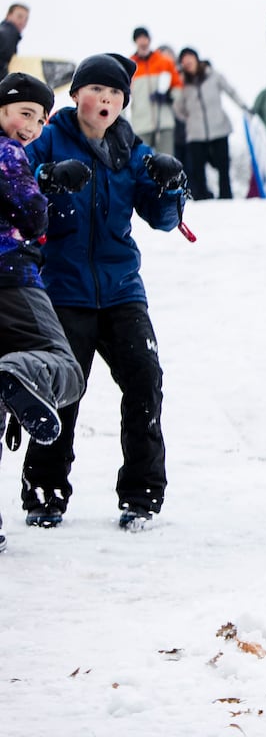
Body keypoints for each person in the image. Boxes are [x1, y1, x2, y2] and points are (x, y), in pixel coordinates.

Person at [21, 54, 187, 530]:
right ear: (76, 96)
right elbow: (12, 187)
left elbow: (162, 219)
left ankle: (142, 493)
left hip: (121, 289)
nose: (106, 100)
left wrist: (171, 186)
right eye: (97, 90)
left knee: (144, 380)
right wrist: (47, 179)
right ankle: (45, 494)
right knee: (60, 392)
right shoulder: (49, 139)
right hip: (63, 288)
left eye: (115, 94)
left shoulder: (129, 148)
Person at [0, 73, 87, 546]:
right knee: (63, 368)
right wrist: (41, 197)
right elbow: (32, 213)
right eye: (22, 114)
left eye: (38, 118)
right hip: (12, 275)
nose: (29, 127)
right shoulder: (7, 153)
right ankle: (19, 372)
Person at [173, 48, 247, 200]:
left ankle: (226, 197)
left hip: (218, 127)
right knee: (198, 169)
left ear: (196, 59)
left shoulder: (213, 75)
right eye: (184, 62)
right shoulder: (182, 84)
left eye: (189, 59)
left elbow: (231, 91)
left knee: (223, 166)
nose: (187, 63)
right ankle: (201, 199)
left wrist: (244, 107)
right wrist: (190, 119)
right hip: (196, 133)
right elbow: (178, 108)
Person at [127, 27, 181, 158]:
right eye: (139, 39)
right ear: (135, 42)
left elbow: (177, 87)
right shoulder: (129, 65)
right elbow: (124, 94)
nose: (143, 42)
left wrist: (169, 97)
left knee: (167, 162)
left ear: (149, 40)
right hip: (140, 124)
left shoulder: (164, 62)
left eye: (145, 38)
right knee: (141, 162)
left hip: (164, 122)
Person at [0, 4, 28, 75]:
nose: (22, 22)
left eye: (26, 19)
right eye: (19, 16)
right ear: (8, 15)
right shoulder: (7, 33)